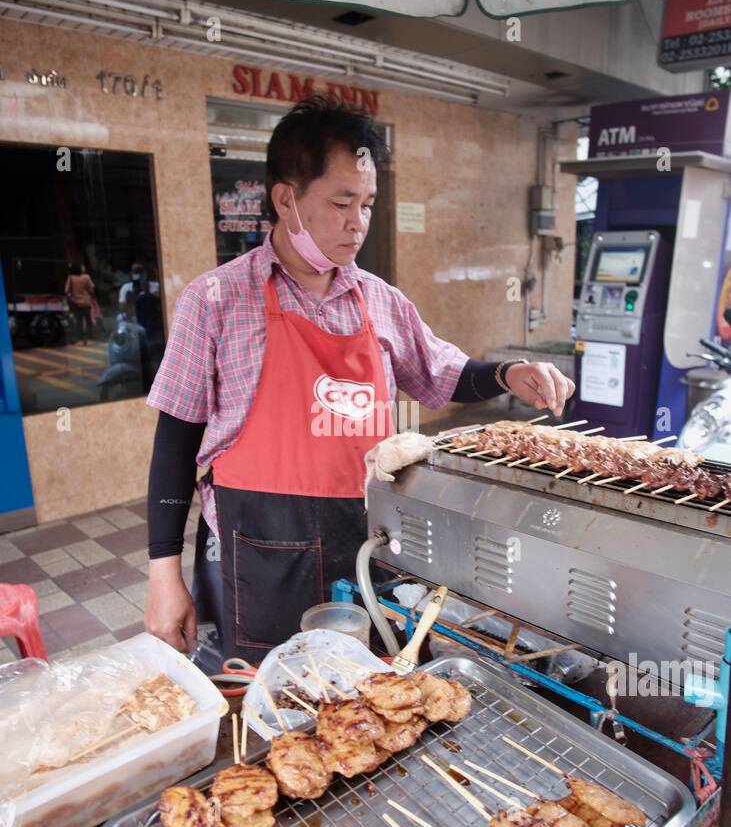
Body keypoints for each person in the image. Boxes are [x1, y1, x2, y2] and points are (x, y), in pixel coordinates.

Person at [144, 97, 574, 661]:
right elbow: (174, 446)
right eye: (341, 202)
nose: (358, 222)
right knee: (271, 708)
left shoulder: (379, 300)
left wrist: (507, 372)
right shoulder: (218, 299)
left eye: (368, 204)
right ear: (285, 199)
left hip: (367, 547)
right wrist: (163, 577)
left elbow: (443, 374)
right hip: (258, 558)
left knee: (372, 703)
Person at [64, 262, 95, 345]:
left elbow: (67, 290)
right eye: (82, 267)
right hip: (87, 302)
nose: (83, 268)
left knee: (79, 322)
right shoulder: (86, 277)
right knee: (88, 321)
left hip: (76, 303)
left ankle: (80, 339)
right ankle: (89, 339)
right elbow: (91, 289)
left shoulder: (71, 278)